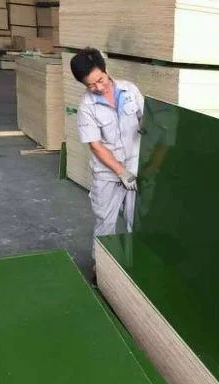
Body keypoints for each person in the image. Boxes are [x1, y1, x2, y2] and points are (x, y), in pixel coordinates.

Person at [70, 47, 144, 261]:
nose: (99, 87)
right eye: (91, 85)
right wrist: (121, 172)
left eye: (100, 80)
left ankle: (133, 263)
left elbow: (145, 118)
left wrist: (146, 125)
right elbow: (95, 145)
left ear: (106, 70)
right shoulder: (87, 107)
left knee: (135, 221)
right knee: (105, 222)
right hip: (107, 172)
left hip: (135, 165)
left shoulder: (130, 90)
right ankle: (100, 268)